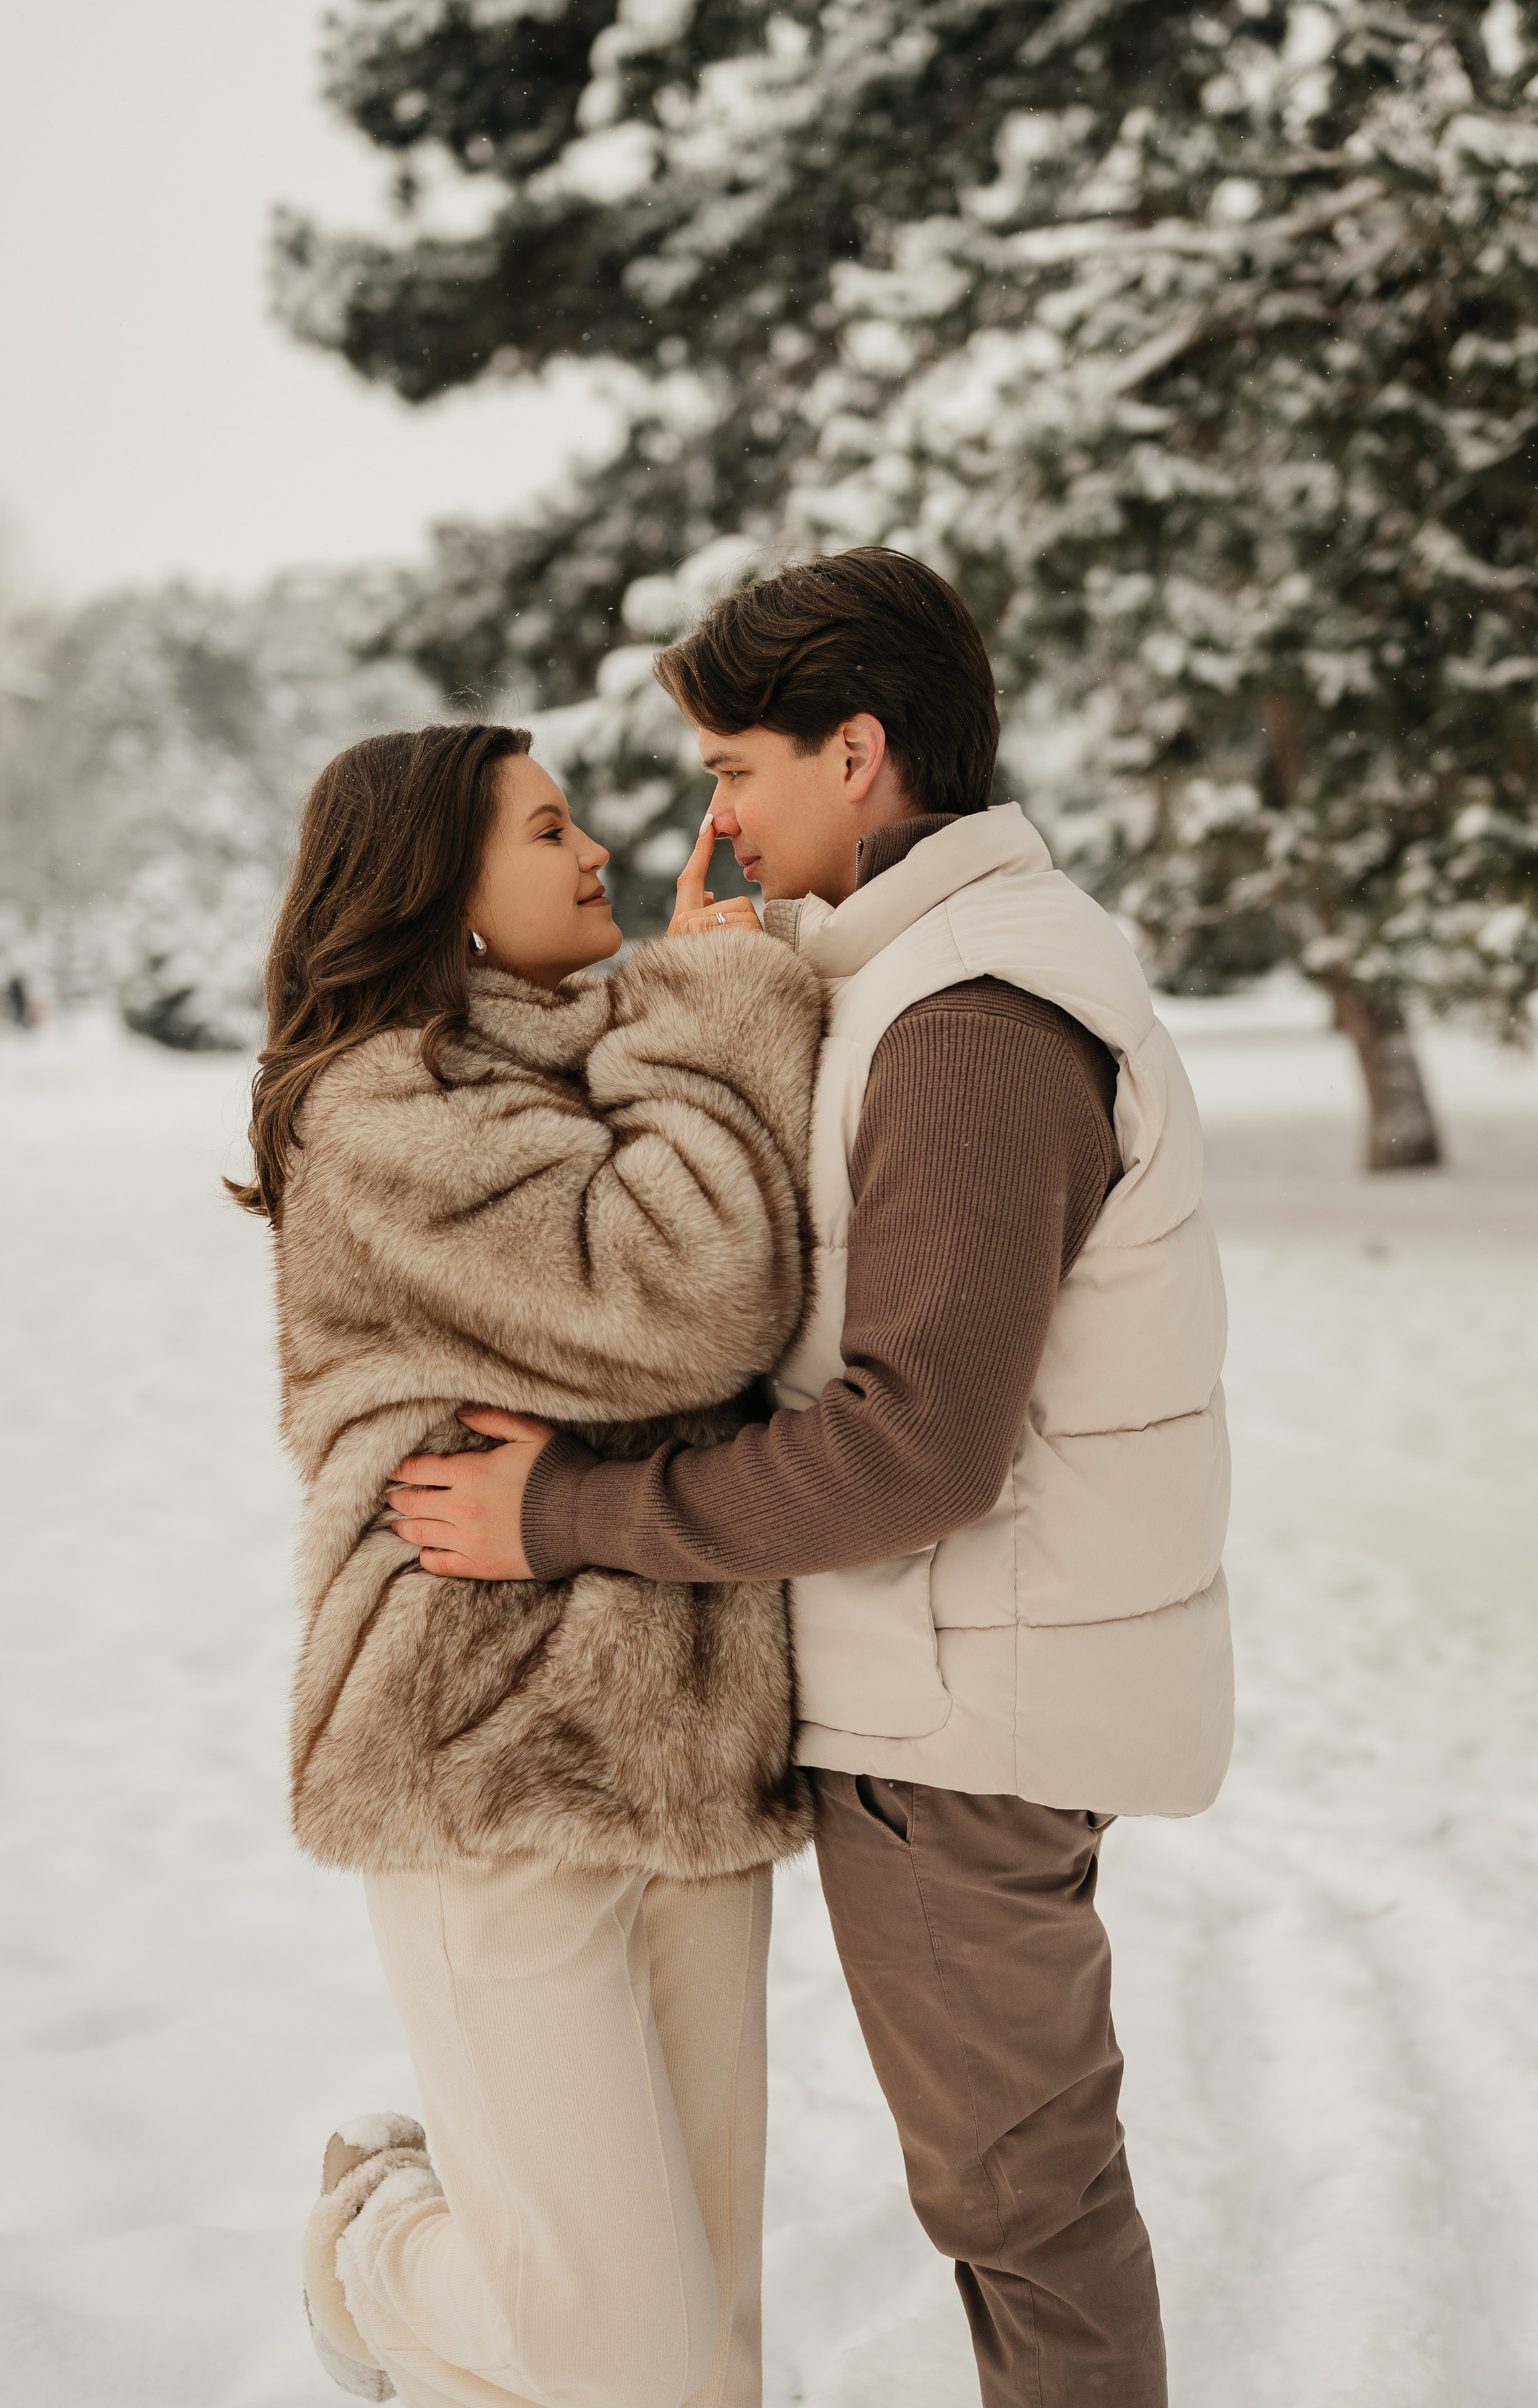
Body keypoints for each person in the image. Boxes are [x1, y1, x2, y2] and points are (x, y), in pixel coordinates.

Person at [387, 550, 1235, 2408]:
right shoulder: (928, 978)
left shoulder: (972, 1026)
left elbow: (919, 1443)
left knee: (1022, 2198)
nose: (714, 816)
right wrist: (738, 986)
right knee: (1018, 2189)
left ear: (856, 755)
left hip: (970, 1716)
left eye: (732, 770)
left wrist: (566, 1517)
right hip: (974, 1685)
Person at [230, 721, 824, 2408]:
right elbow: (693, 1288)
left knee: (703, 2350)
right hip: (477, 1745)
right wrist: (710, 1009)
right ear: (440, 891)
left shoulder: (586, 1061)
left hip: (691, 1736)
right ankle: (375, 2243)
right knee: (612, 2344)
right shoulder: (382, 1113)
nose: (597, 855)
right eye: (546, 829)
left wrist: (672, 1018)